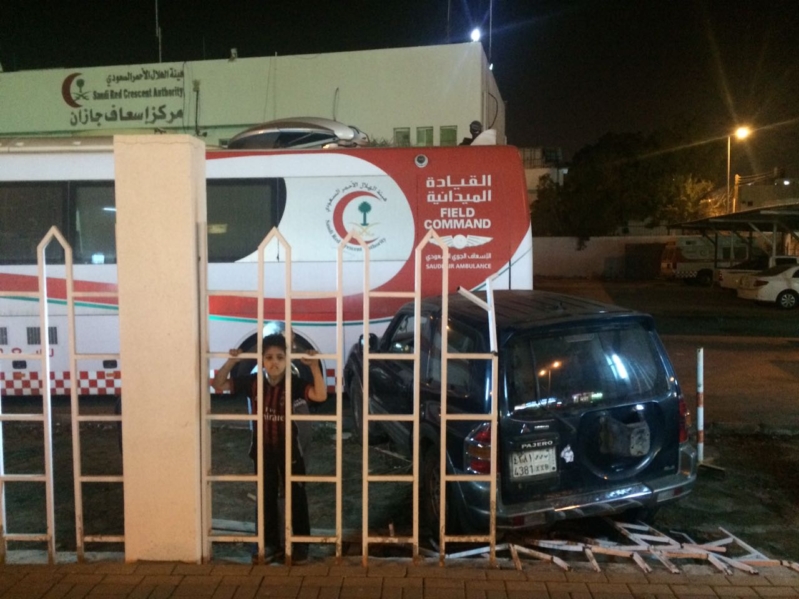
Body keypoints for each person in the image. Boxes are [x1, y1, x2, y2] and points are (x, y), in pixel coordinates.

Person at [212, 333, 327, 563]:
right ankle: (270, 544)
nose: (274, 363)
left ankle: (301, 546)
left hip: (291, 451)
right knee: (266, 498)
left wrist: (315, 367)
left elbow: (320, 395)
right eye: (269, 357)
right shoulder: (254, 382)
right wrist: (232, 362)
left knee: (296, 497)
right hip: (263, 452)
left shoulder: (294, 384)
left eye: (280, 357)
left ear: (287, 359)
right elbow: (218, 384)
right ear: (261, 360)